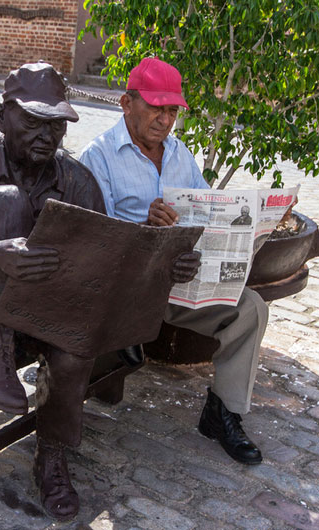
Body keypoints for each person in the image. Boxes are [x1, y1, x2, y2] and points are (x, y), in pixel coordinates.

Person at [0, 62, 200, 521]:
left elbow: (111, 257)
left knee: (74, 345)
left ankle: (52, 457)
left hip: (37, 308)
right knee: (5, 201)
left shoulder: (75, 179)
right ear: (1, 116)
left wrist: (171, 264)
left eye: (56, 125)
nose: (46, 135)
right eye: (33, 121)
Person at [79, 57, 269, 466]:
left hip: (181, 280)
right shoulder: (98, 157)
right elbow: (93, 240)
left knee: (250, 308)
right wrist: (146, 228)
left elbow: (207, 212)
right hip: (129, 285)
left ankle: (223, 413)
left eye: (172, 110)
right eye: (155, 107)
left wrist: (245, 229)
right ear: (126, 103)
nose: (165, 120)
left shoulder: (181, 154)